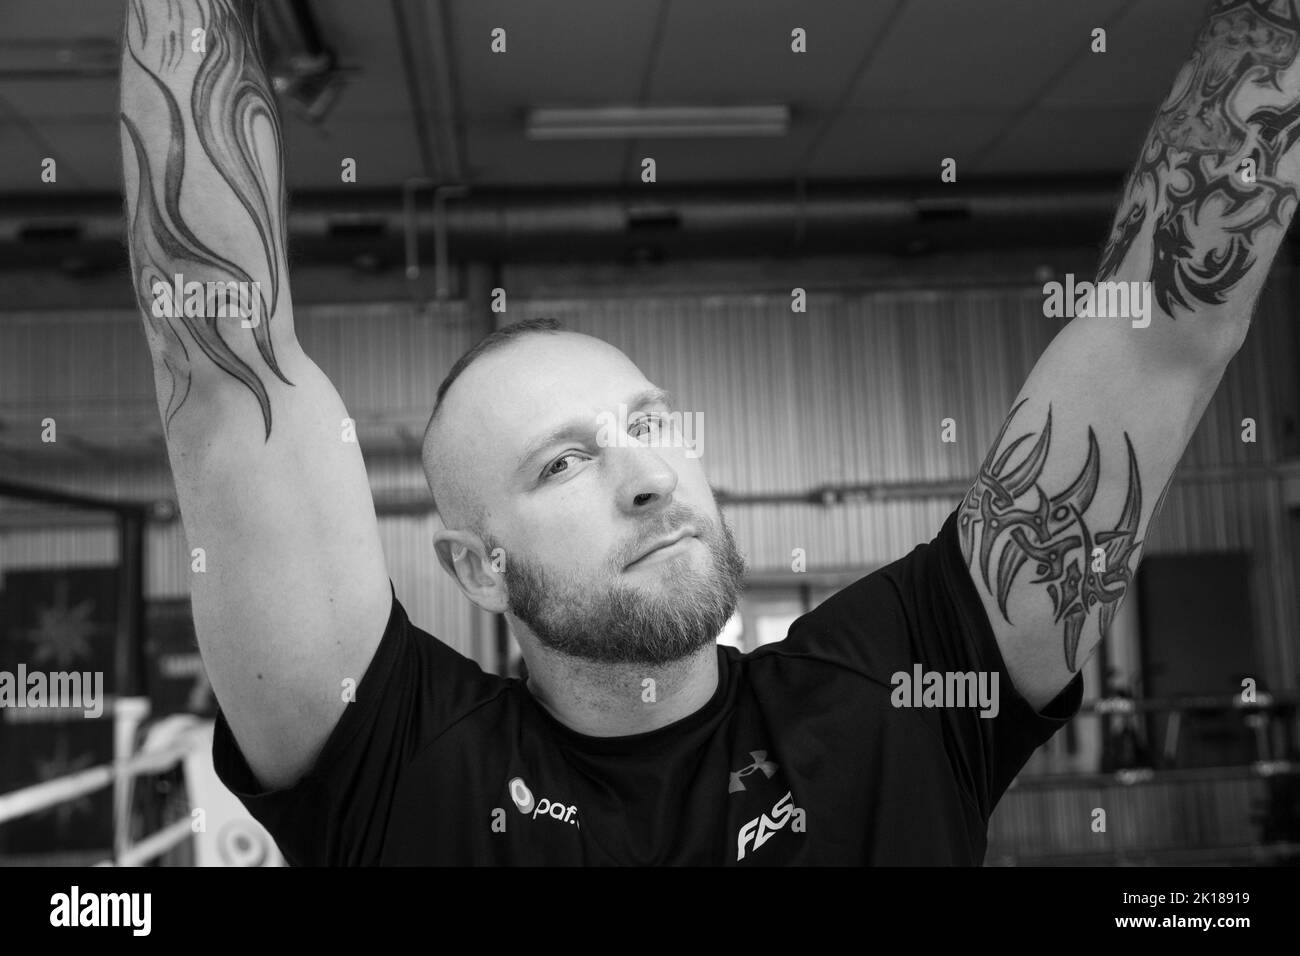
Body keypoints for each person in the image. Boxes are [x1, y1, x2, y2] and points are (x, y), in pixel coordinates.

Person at [119, 0, 1291, 864]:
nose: (643, 477)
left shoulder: (897, 694)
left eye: (648, 424)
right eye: (563, 461)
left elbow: (1163, 325)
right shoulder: (395, 763)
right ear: (477, 566)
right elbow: (222, 374)